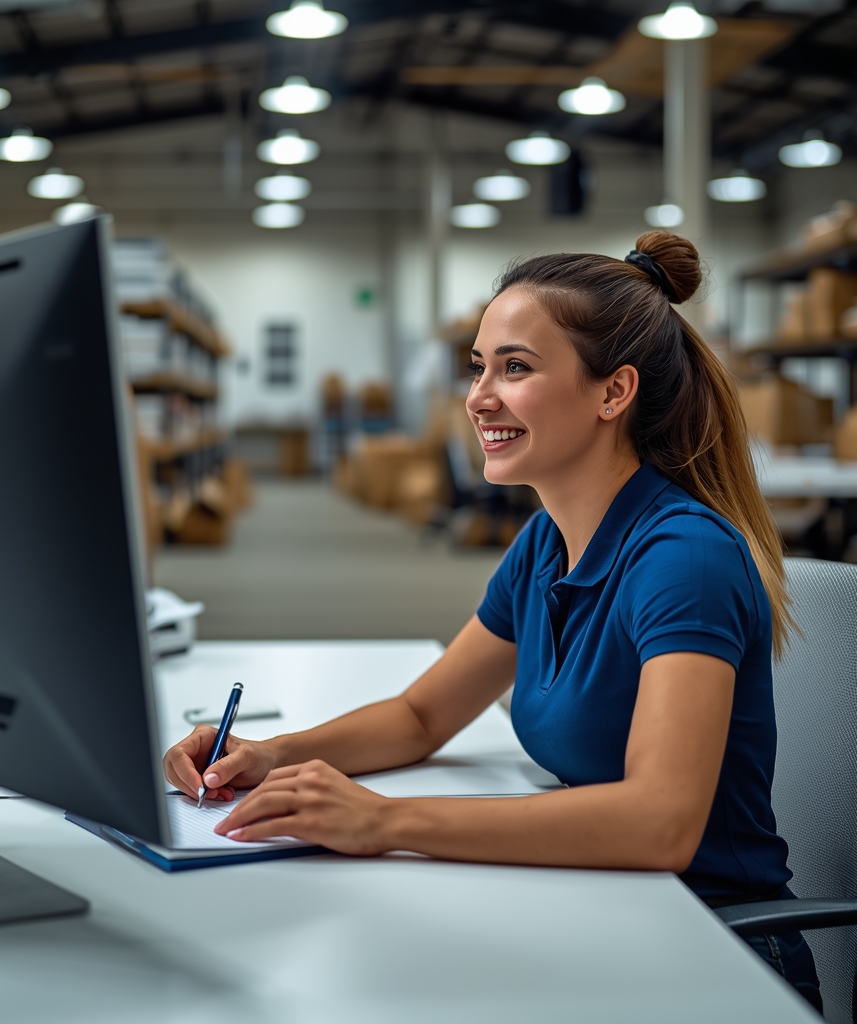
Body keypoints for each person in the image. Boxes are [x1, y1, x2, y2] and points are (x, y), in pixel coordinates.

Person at [163, 231, 821, 1009]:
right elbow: (420, 715)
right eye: (479, 366)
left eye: (516, 367)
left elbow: (659, 824)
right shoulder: (547, 540)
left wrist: (382, 821)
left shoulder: (684, 559)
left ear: (614, 394)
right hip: (608, 909)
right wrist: (271, 755)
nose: (478, 396)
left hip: (714, 949)